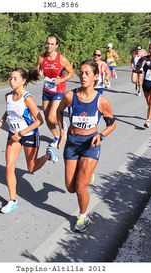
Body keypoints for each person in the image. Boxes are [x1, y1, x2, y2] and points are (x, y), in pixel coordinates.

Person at [56, 60, 116, 233]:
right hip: (72, 144)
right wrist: (62, 131)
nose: (83, 76)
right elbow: (59, 112)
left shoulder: (101, 101)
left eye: (87, 73)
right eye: (81, 73)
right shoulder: (69, 96)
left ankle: (83, 216)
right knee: (70, 187)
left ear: (96, 76)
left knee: (80, 188)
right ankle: (87, 175)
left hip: (90, 144)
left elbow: (112, 124)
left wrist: (101, 135)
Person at [0, 68, 60, 214]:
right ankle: (12, 201)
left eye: (15, 79)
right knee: (9, 166)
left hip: (29, 134)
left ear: (23, 81)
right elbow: (9, 110)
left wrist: (22, 133)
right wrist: (1, 121)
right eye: (11, 78)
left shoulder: (27, 98)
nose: (11, 81)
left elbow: (39, 121)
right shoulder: (8, 96)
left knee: (32, 168)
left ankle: (48, 154)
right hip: (13, 135)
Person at [34, 35, 75, 148]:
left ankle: (64, 125)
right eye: (48, 43)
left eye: (52, 44)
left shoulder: (61, 59)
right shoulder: (41, 58)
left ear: (56, 46)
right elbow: (37, 69)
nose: (49, 46)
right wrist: (39, 73)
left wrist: (61, 80)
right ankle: (56, 136)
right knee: (47, 117)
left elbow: (71, 73)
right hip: (47, 89)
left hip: (58, 90)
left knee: (52, 117)